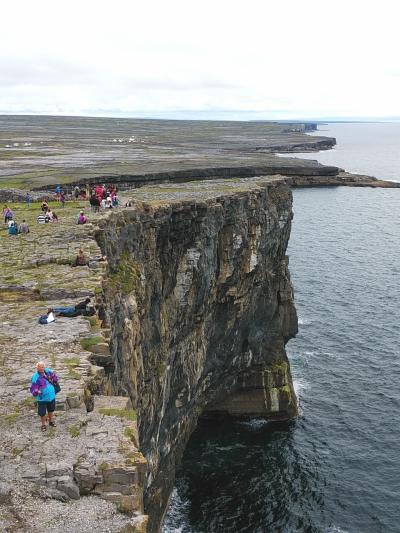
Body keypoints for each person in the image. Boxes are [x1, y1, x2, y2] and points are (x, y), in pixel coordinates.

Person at [30, 361, 59, 431]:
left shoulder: (48, 371)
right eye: (40, 367)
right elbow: (33, 387)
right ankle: (43, 425)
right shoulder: (35, 377)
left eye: (42, 367)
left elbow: (55, 376)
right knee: (42, 413)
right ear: (37, 368)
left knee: (51, 409)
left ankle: (51, 421)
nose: (41, 368)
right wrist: (37, 391)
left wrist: (55, 379)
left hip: (51, 396)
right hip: (42, 398)